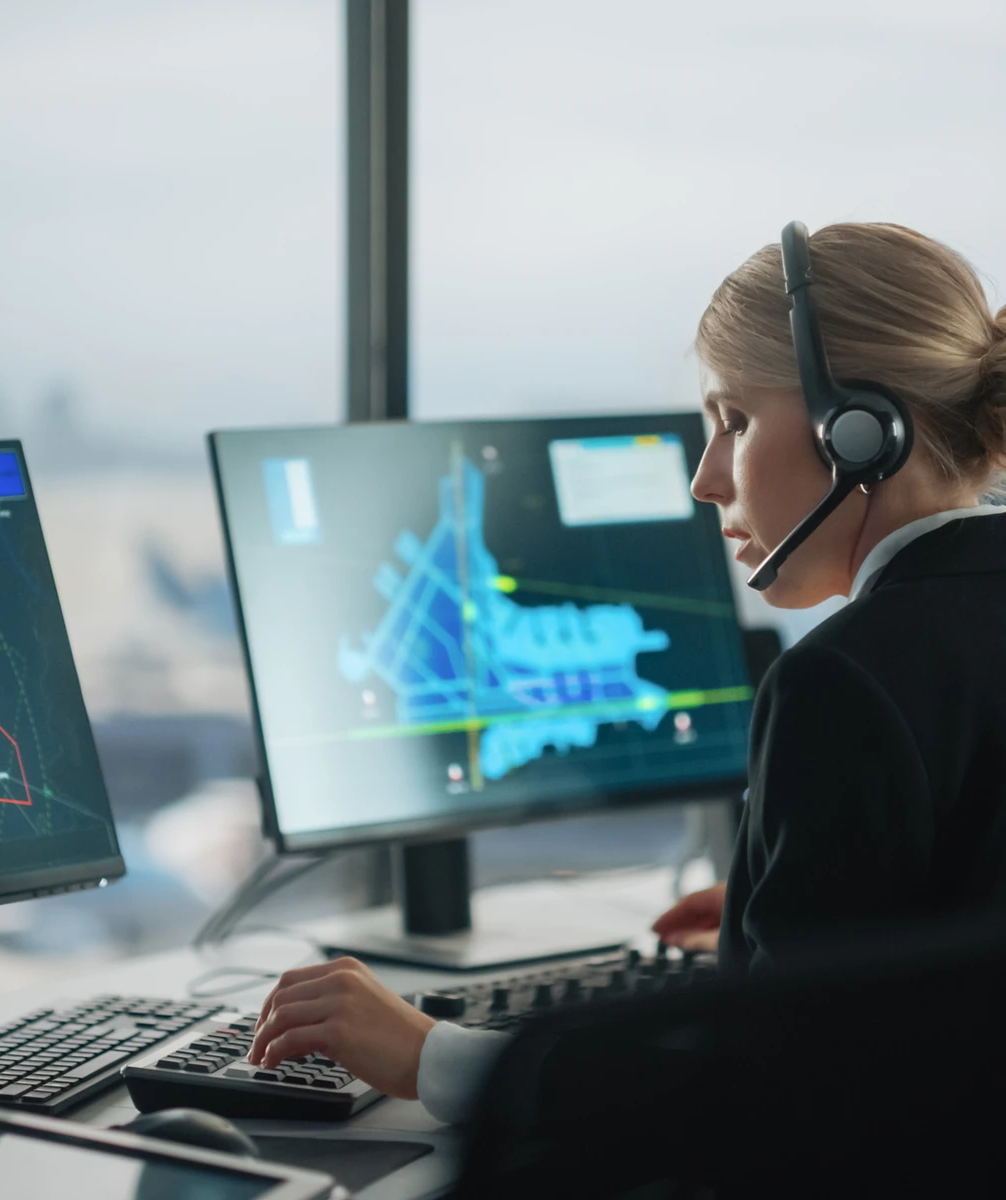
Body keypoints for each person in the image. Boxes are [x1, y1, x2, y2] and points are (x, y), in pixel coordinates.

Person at [246, 221, 1006, 1123]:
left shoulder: (841, 683)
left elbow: (769, 1102)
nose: (706, 479)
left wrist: (430, 1056)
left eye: (734, 422)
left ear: (860, 433)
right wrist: (790, 904)